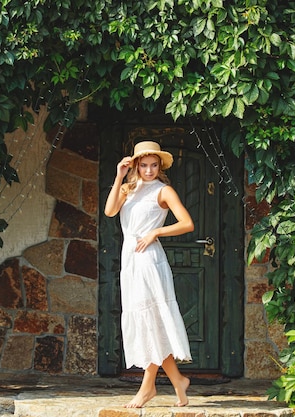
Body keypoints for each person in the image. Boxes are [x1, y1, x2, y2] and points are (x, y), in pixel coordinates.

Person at [104, 141, 194, 408]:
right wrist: (119, 175)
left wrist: (156, 232)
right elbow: (110, 211)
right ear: (136, 165)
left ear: (160, 166)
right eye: (144, 165)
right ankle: (177, 380)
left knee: (151, 319)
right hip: (130, 259)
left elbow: (187, 223)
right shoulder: (127, 188)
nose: (149, 170)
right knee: (146, 321)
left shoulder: (164, 191)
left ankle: (147, 386)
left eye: (154, 165)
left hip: (149, 260)